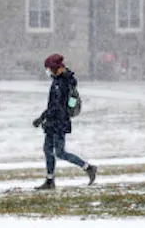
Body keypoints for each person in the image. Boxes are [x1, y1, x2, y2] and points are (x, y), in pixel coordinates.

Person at [31, 53, 97, 190]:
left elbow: (57, 106)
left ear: (55, 68)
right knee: (48, 150)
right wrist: (44, 117)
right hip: (53, 121)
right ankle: (50, 180)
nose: (47, 71)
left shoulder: (62, 83)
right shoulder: (58, 80)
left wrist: (42, 117)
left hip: (59, 122)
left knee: (60, 152)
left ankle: (88, 168)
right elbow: (53, 105)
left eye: (49, 68)